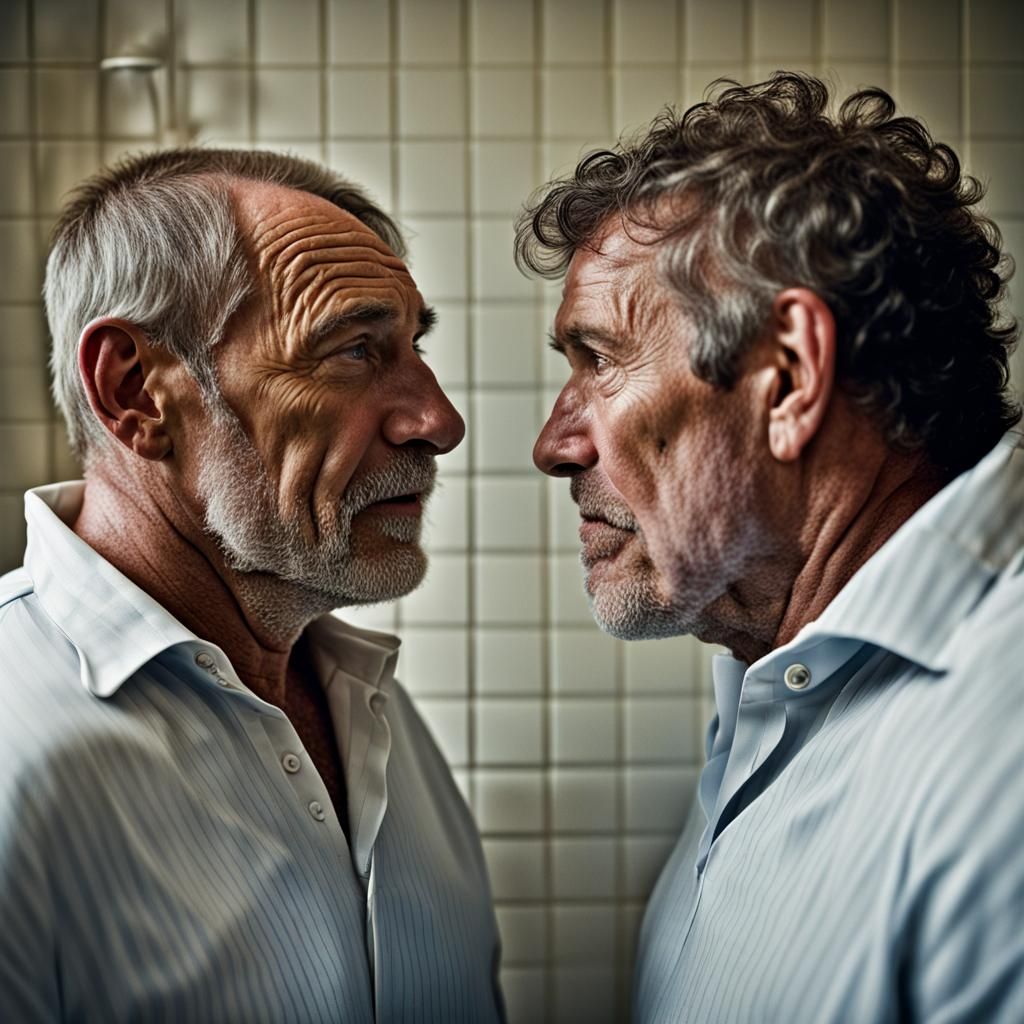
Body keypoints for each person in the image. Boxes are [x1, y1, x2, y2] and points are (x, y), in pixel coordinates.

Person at [518, 72, 1024, 1022]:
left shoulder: (1002, 743)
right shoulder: (778, 673)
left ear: (789, 377)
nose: (554, 443)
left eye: (598, 360)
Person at [0, 149, 504, 1023]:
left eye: (412, 347)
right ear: (136, 392)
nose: (439, 421)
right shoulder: (12, 740)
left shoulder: (367, 703)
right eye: (353, 349)